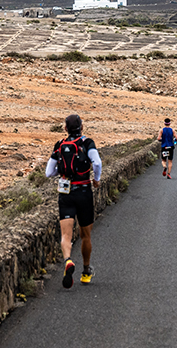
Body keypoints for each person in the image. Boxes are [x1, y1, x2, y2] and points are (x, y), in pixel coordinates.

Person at [46, 113, 101, 288]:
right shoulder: (87, 143)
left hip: (66, 194)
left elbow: (48, 172)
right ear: (82, 127)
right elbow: (97, 163)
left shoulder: (60, 145)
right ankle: (85, 272)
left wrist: (61, 174)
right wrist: (96, 179)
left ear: (65, 128)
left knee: (65, 235)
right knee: (85, 235)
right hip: (84, 192)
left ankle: (68, 260)